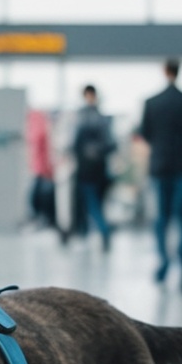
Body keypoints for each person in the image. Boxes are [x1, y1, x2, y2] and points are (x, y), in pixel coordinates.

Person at [138, 58, 182, 282]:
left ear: (164, 71)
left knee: (161, 218)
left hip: (160, 166)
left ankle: (163, 262)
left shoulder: (152, 102)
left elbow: (146, 133)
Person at [70, 85, 116, 251]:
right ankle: (97, 231)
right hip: (99, 168)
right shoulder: (103, 119)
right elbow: (111, 144)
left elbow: (73, 144)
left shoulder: (80, 118)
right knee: (94, 204)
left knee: (91, 204)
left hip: (88, 170)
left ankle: (103, 230)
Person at [27, 108, 58, 230]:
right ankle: (43, 219)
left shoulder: (40, 128)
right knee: (38, 196)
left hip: (43, 169)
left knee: (39, 197)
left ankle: (44, 219)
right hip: (41, 168)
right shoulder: (42, 127)